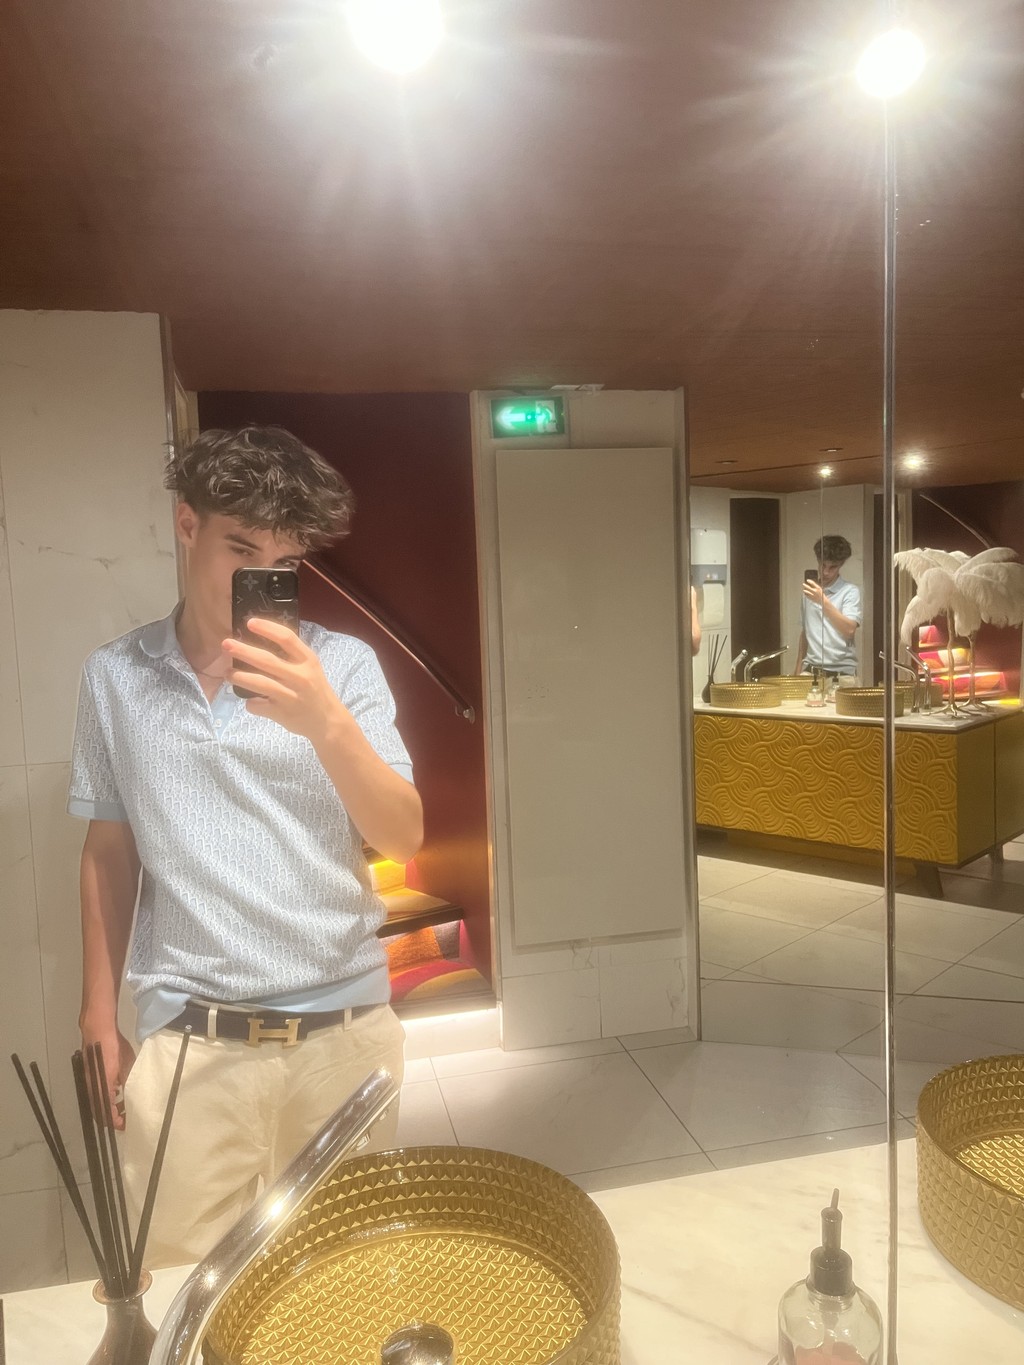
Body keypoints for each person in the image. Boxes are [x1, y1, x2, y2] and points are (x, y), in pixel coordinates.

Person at [69, 425, 423, 1266]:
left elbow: (402, 834)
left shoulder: (342, 667)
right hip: (191, 1043)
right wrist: (97, 1012)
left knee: (344, 1282)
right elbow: (109, 850)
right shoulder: (114, 676)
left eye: (284, 559)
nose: (261, 575)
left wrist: (325, 720)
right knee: (185, 1289)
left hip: (343, 1037)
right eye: (241, 547)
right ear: (187, 524)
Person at [793, 534, 862, 677]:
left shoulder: (850, 591)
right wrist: (797, 671)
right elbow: (806, 633)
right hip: (811, 669)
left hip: (842, 672)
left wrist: (822, 601)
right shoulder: (809, 592)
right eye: (823, 565)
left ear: (840, 565)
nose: (825, 572)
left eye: (832, 567)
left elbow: (849, 630)